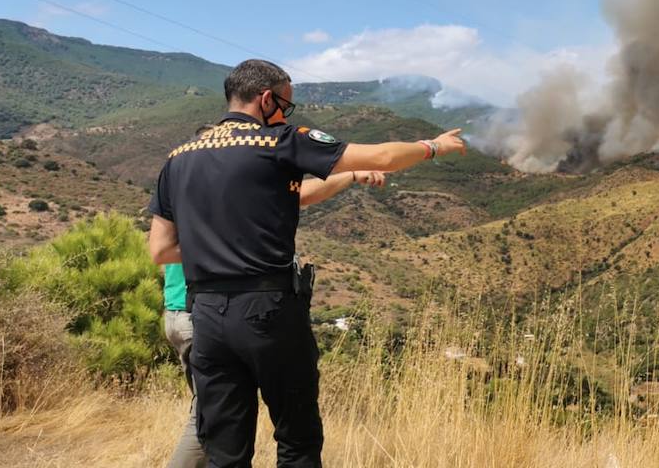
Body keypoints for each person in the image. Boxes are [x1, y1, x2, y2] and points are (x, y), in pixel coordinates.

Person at [147, 59, 466, 467]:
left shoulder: (177, 159)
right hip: (267, 310)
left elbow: (160, 249)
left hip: (206, 315)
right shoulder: (277, 140)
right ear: (266, 99)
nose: (284, 114)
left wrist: (218, 247)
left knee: (224, 449)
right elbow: (383, 156)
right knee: (297, 439)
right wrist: (434, 146)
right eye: (285, 105)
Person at [160, 166, 386, 468]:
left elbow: (161, 250)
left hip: (180, 311)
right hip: (204, 314)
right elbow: (299, 195)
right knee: (212, 423)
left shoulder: (185, 195)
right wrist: (352, 175)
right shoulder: (223, 196)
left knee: (215, 420)